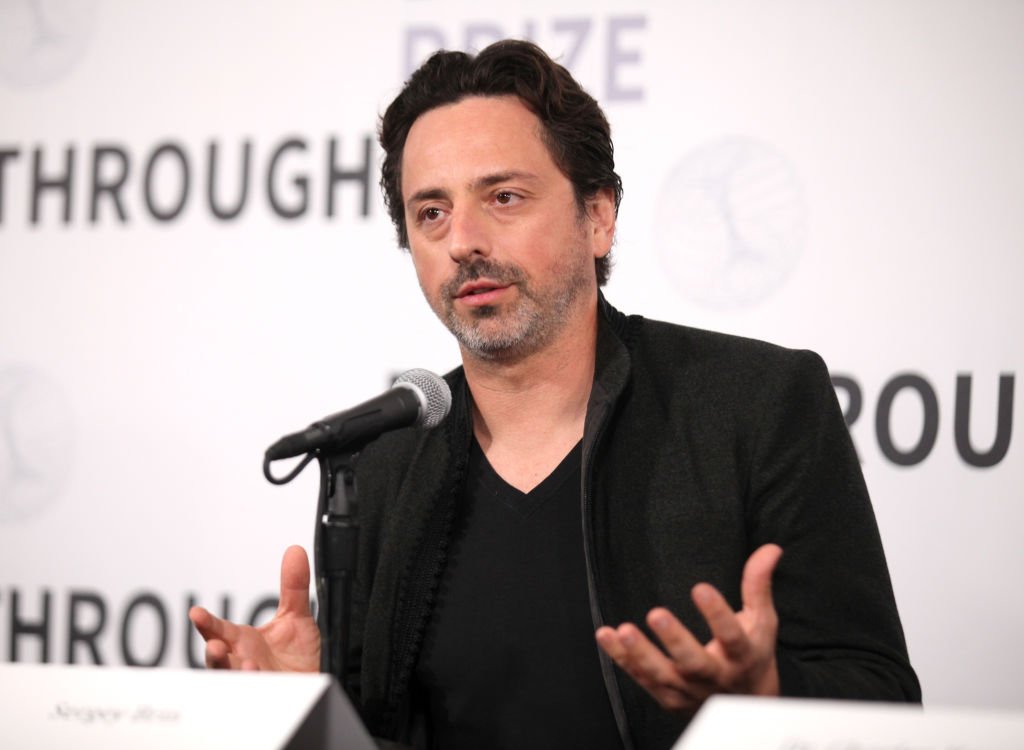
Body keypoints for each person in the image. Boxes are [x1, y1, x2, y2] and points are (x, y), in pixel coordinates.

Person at [189, 39, 920, 749]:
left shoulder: (756, 406)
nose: (463, 240)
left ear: (597, 216)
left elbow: (882, 696)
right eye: (431, 212)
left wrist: (766, 695)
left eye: (503, 197)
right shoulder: (383, 462)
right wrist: (314, 706)